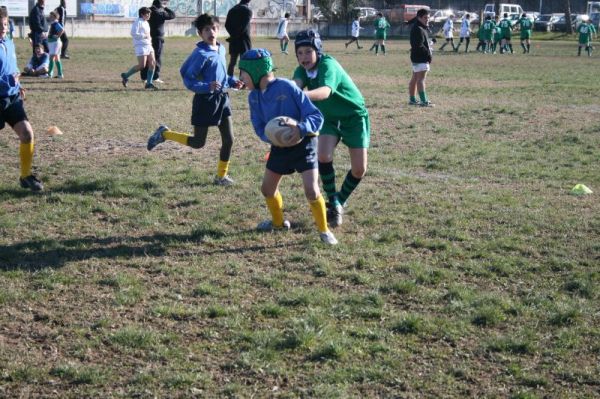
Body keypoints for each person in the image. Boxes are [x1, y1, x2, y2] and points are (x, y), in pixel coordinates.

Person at [238, 48, 337, 245]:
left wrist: (300, 129)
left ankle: (324, 231)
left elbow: (316, 116)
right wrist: (274, 137)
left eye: (242, 73)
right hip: (279, 147)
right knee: (267, 189)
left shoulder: (287, 87)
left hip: (305, 143)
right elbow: (258, 126)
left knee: (311, 190)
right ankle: (278, 223)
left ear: (256, 72)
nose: (240, 78)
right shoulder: (253, 97)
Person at [147, 14, 243, 186]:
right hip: (205, 102)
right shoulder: (200, 53)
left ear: (218, 29)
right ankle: (164, 134)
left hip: (222, 100)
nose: (211, 32)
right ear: (200, 33)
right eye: (206, 29)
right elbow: (187, 77)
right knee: (198, 143)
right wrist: (206, 86)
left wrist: (233, 81)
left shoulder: (221, 49)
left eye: (213, 28)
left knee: (229, 140)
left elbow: (222, 77)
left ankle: (221, 177)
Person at [293, 29, 370, 228]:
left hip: (353, 116)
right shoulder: (301, 70)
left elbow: (325, 92)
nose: (304, 57)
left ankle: (339, 201)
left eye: (308, 51)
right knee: (323, 156)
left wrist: (297, 97)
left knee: (359, 169)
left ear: (318, 50)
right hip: (328, 118)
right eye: (299, 52)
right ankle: (333, 203)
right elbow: (296, 85)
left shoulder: (328, 65)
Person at [0, 9, 44, 191]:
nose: (3, 28)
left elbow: (13, 67)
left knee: (27, 134)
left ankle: (25, 176)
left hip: (12, 97)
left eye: (4, 25)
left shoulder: (9, 42)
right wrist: (9, 80)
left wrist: (17, 85)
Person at [120, 7, 158, 90]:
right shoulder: (137, 22)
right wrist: (144, 36)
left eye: (149, 13)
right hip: (140, 46)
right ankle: (125, 76)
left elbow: (147, 34)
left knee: (153, 63)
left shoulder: (146, 23)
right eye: (147, 13)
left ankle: (149, 83)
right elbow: (133, 33)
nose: (149, 15)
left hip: (148, 45)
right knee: (142, 66)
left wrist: (149, 39)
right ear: (142, 14)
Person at [140, 0, 175, 84]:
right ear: (160, 6)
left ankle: (144, 77)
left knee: (147, 58)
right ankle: (155, 77)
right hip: (158, 39)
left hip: (147, 37)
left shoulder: (148, 12)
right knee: (157, 58)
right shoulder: (161, 13)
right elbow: (173, 15)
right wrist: (165, 7)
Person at [408, 9, 433, 107]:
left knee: (414, 78)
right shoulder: (418, 28)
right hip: (420, 57)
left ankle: (412, 100)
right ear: (419, 18)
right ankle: (424, 101)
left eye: (428, 18)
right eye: (425, 18)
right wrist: (428, 54)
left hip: (415, 57)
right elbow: (419, 45)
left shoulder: (419, 27)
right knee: (421, 79)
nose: (427, 20)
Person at [225, 0, 252, 76]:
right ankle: (242, 81)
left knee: (232, 62)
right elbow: (244, 27)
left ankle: (230, 79)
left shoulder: (232, 9)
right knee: (244, 62)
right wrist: (236, 35)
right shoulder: (248, 10)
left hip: (233, 39)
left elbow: (227, 25)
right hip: (244, 40)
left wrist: (233, 35)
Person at [47, 11, 64, 79]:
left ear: (54, 17)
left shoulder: (56, 23)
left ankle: (49, 74)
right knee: (56, 58)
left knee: (52, 57)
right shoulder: (53, 24)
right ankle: (60, 74)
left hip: (55, 43)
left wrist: (57, 36)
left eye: (51, 16)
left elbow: (62, 30)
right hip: (52, 42)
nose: (49, 17)